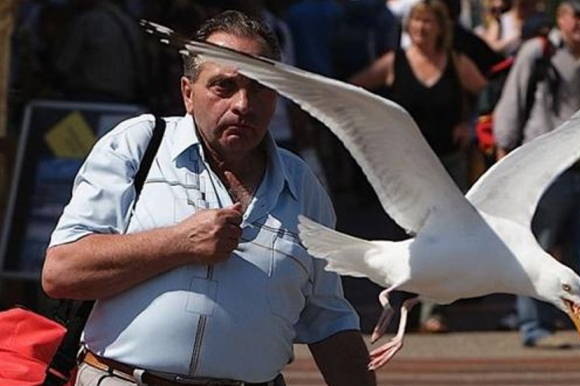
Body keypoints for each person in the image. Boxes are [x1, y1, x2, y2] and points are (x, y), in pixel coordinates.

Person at [41, 10, 376, 386]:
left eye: (260, 87)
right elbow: (62, 272)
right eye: (223, 87)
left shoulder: (303, 187)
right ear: (188, 92)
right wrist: (179, 242)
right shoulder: (138, 147)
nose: (243, 105)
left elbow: (330, 317)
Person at [350, 0, 486, 332]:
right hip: (405, 167)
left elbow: (487, 91)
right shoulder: (394, 62)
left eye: (428, 22)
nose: (422, 29)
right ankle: (399, 305)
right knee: (405, 234)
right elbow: (354, 88)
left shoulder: (455, 62)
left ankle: (432, 311)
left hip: (448, 163)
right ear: (408, 27)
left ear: (441, 27)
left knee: (443, 236)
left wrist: (470, 124)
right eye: (416, 22)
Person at [494, 0, 580, 347]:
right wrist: (505, 165)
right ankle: (535, 328)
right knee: (539, 251)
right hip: (542, 173)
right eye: (576, 15)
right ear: (561, 17)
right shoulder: (538, 51)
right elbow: (511, 105)